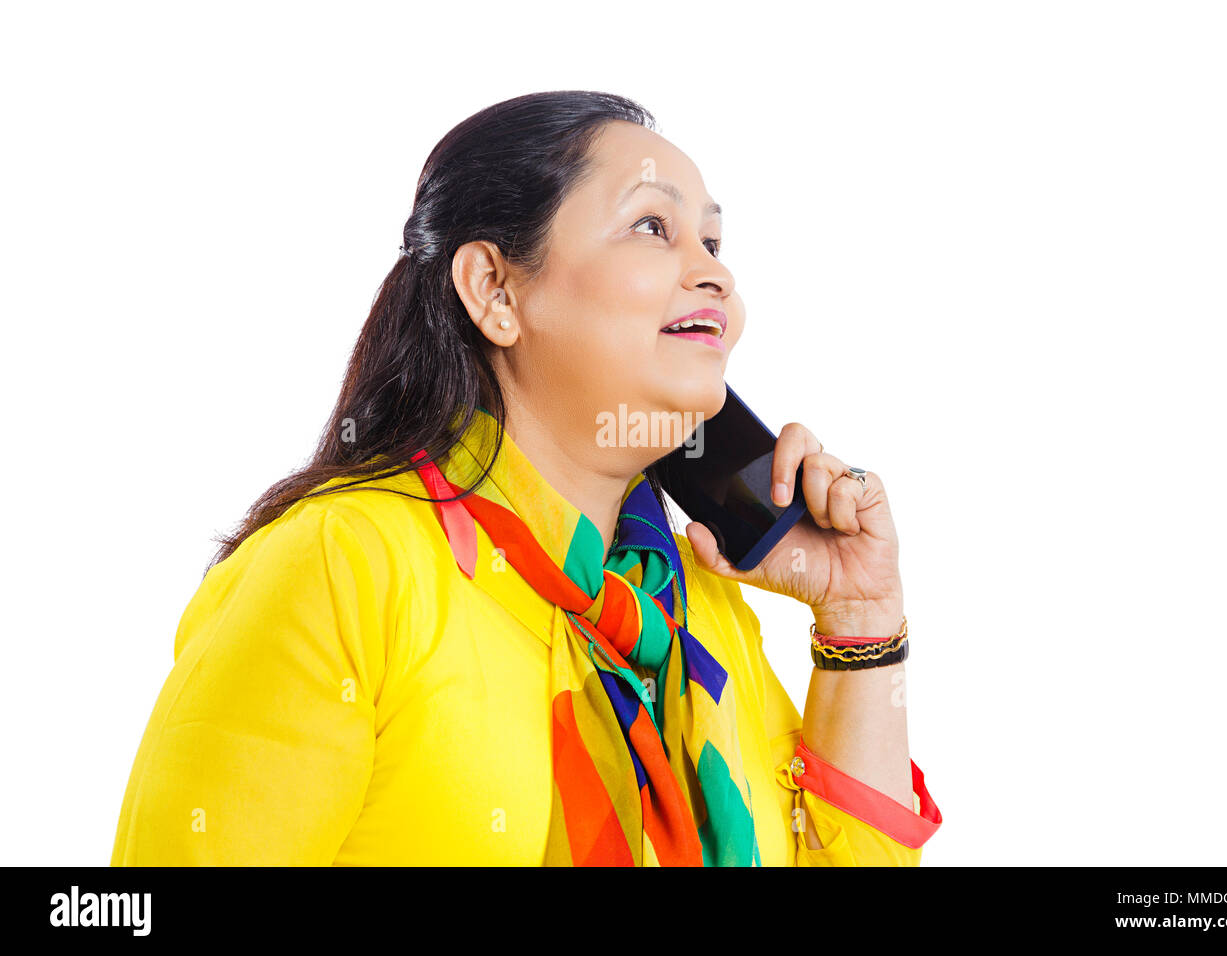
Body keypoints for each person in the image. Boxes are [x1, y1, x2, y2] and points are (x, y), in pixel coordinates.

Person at [110, 90, 941, 866]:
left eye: (714, 243)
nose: (716, 274)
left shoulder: (694, 608)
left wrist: (861, 619)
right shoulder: (343, 563)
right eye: (653, 228)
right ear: (495, 290)